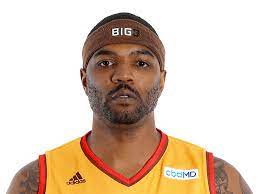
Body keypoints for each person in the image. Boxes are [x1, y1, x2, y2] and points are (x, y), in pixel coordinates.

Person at [7, 12, 252, 194]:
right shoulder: (38, 180)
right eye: (106, 63)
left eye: (141, 63)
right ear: (84, 79)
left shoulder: (215, 180)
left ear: (162, 79)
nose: (124, 75)